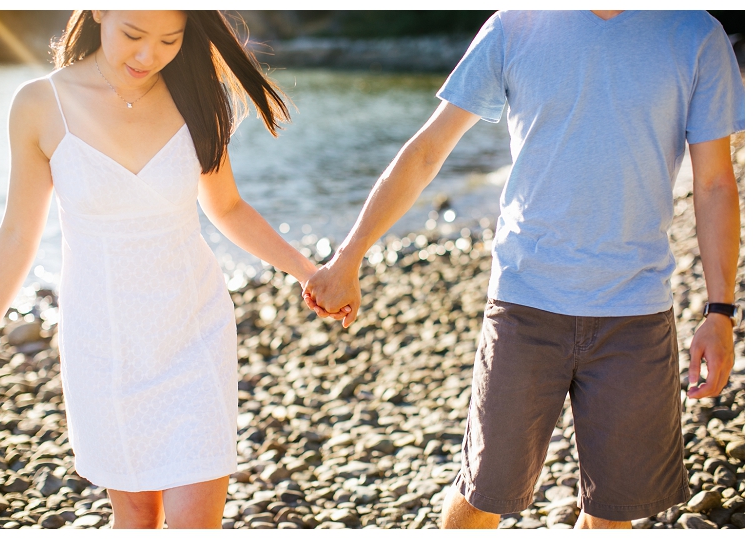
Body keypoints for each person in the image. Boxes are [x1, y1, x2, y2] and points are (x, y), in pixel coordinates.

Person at [304, 10, 744, 529]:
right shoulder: (516, 25)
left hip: (635, 314)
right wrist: (349, 256)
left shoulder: (695, 33)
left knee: (612, 517)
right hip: (524, 306)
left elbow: (715, 182)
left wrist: (720, 312)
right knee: (479, 500)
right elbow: (427, 150)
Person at [0, 10, 344, 529]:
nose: (148, 56)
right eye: (133, 35)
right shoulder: (39, 104)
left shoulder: (195, 94)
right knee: (138, 518)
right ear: (99, 11)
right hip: (106, 345)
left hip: (194, 331)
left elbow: (228, 207)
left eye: (170, 39)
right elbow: (17, 233)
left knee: (196, 522)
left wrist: (307, 272)